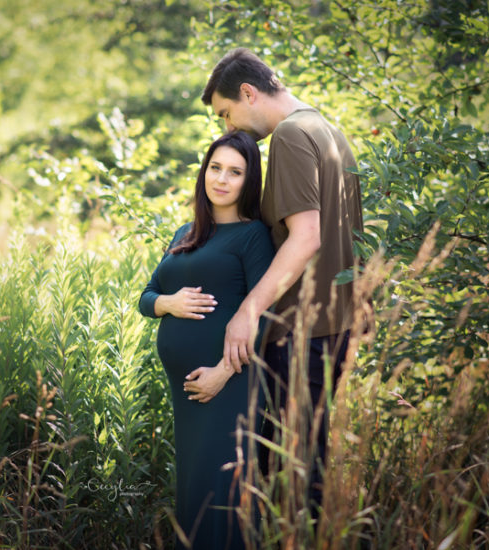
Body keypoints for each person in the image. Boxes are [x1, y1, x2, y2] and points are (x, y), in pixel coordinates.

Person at [200, 48, 364, 513]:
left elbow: (307, 237)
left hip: (303, 333)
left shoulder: (291, 136)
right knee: (304, 464)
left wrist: (248, 312)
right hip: (333, 327)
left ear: (248, 93)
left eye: (226, 113)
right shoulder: (326, 129)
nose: (226, 129)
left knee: (294, 474)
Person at [139, 131, 274, 549]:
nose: (222, 179)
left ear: (249, 182)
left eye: (235, 172)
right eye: (215, 168)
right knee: (194, 486)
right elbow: (146, 297)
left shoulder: (253, 237)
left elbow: (264, 316)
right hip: (188, 394)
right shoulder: (186, 231)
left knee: (221, 489)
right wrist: (169, 303)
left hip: (229, 385)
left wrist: (221, 372)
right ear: (204, 173)